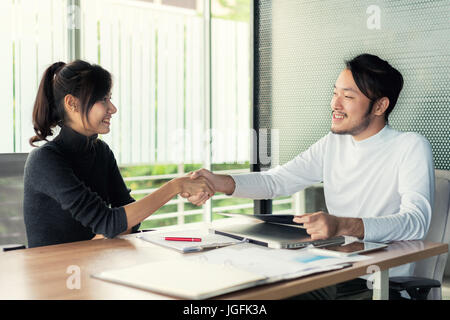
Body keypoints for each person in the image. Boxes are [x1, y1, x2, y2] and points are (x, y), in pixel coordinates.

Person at [182, 54, 435, 299]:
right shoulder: (334, 143)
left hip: (376, 282)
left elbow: (416, 221)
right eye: (335, 93)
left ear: (380, 105)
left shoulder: (410, 146)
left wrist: (343, 224)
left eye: (347, 97)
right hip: (329, 270)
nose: (335, 105)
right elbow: (277, 181)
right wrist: (220, 182)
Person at [24, 60, 214, 248]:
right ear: (72, 103)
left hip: (94, 264)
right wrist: (176, 186)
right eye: (103, 100)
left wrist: (111, 229)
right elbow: (110, 222)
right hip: (55, 273)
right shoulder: (45, 161)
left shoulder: (101, 151)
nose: (112, 109)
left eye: (110, 98)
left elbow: (129, 218)